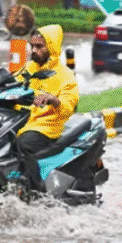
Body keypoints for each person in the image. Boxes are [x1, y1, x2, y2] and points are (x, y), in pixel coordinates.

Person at [14, 25, 78, 189]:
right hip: (23, 120)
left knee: (22, 144)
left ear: (51, 47)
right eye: (32, 46)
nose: (34, 50)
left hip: (46, 125)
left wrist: (54, 100)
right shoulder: (29, 68)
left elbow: (69, 105)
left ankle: (36, 189)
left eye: (39, 47)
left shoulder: (65, 76)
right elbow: (11, 84)